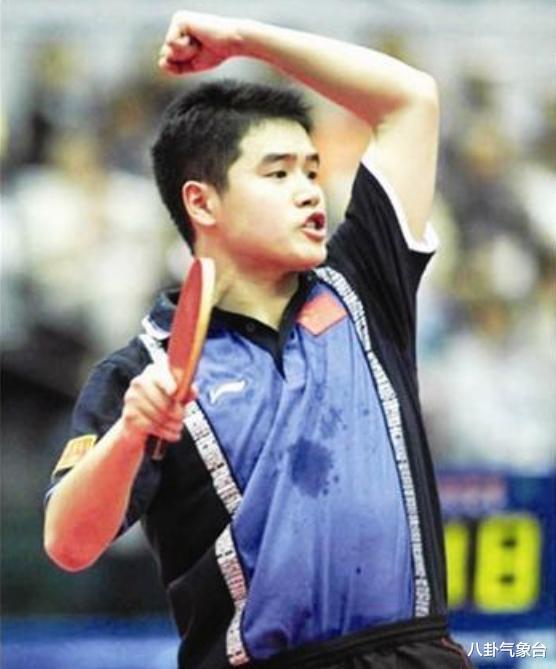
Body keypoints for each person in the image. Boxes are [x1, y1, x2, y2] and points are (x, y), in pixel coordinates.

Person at [44, 11, 471, 669]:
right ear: (202, 202)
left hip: (416, 655)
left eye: (312, 171)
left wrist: (247, 41)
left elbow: (411, 98)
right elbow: (68, 544)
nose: (310, 193)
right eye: (279, 174)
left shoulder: (364, 283)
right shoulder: (144, 369)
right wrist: (131, 433)